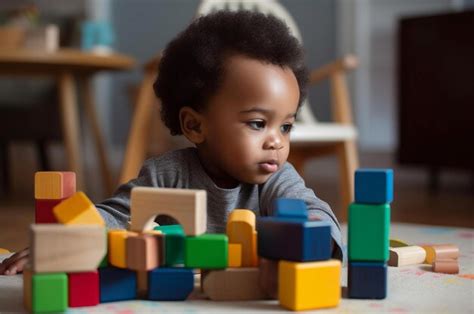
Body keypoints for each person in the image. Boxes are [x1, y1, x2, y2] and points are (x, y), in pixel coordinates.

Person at [0, 10, 344, 276]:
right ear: (194, 125)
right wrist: (65, 242)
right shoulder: (167, 174)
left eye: (286, 127)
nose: (276, 142)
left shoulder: (277, 180)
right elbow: (116, 216)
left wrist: (312, 238)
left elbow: (315, 212)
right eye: (258, 123)